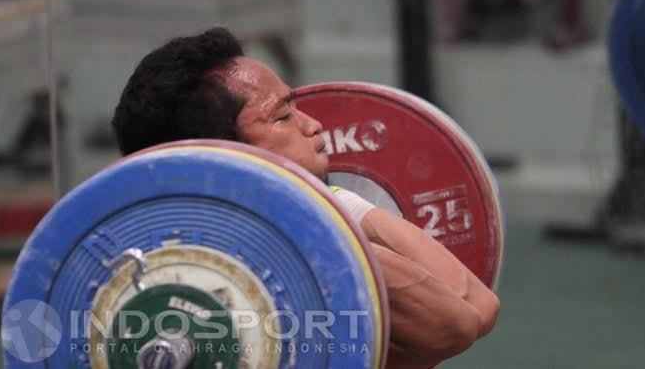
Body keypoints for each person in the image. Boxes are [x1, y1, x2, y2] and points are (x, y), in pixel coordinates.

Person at [111, 27, 499, 369]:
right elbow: (454, 324)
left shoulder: (317, 216)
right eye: (282, 117)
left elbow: (478, 307)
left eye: (294, 107)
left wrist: (320, 209)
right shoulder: (150, 273)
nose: (313, 125)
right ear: (220, 155)